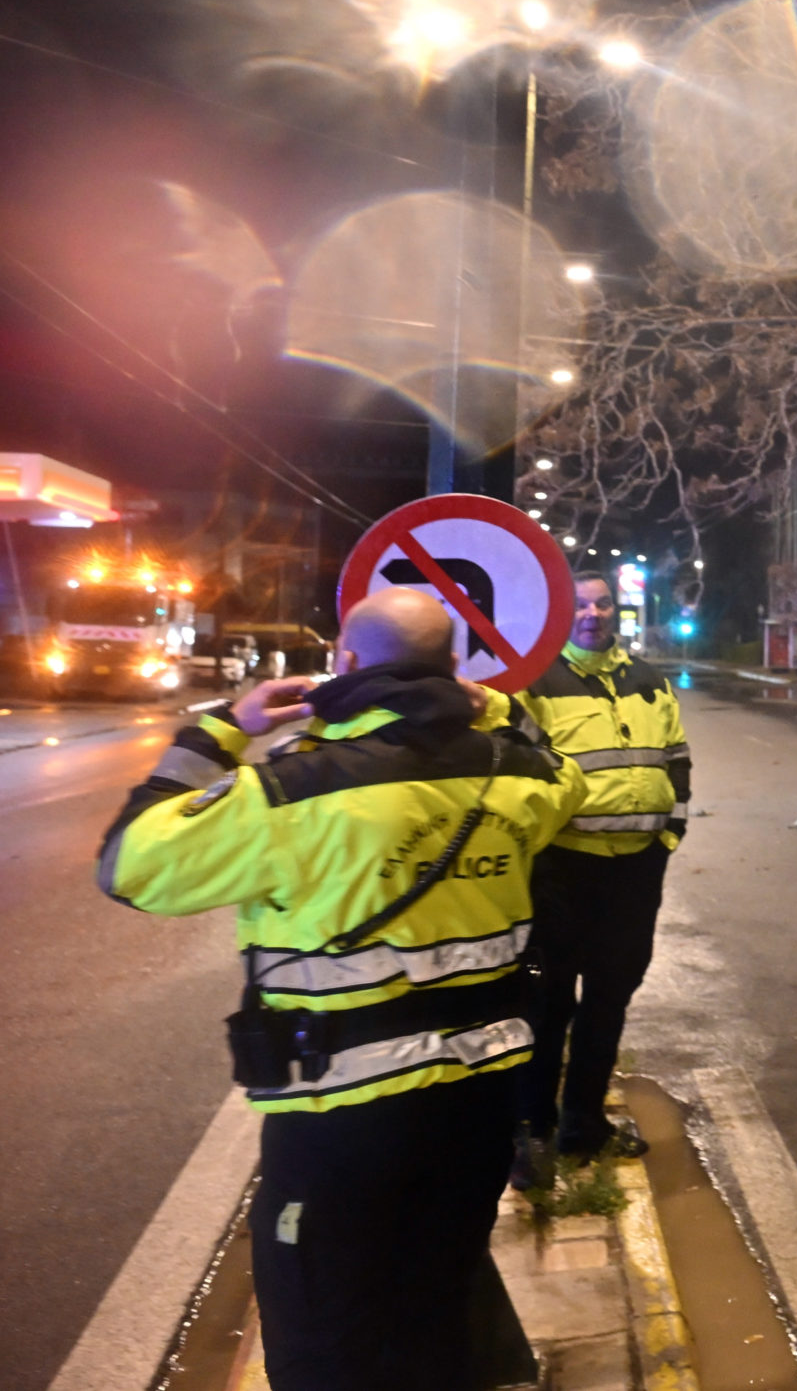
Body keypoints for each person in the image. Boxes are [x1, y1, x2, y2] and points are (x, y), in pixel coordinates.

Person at [97, 587, 585, 1391]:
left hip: (341, 1120)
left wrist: (220, 729)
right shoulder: (518, 777)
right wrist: (495, 705)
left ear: (345, 662)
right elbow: (568, 775)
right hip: (475, 1107)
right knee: (438, 1303)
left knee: (326, 1332)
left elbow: (126, 864)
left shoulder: (292, 790)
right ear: (453, 666)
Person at [512, 571, 691, 1181]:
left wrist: (668, 834)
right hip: (561, 869)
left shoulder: (649, 679)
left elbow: (677, 757)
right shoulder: (536, 682)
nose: (593, 613)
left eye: (603, 603)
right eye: (581, 605)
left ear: (617, 609)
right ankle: (533, 1133)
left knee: (609, 1000)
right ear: (563, 614)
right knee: (548, 1003)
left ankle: (583, 1126)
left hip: (636, 870)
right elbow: (520, 769)